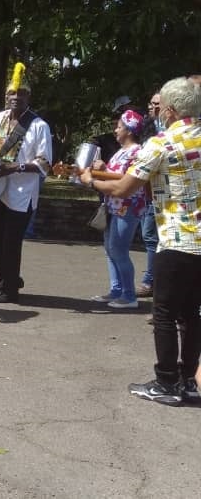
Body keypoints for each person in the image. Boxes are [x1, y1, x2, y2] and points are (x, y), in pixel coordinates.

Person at [78, 77, 201, 406]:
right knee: (192, 314)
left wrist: (90, 181)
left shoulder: (161, 143)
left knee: (165, 314)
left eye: (160, 109)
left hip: (176, 241)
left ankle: (166, 382)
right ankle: (188, 381)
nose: (156, 114)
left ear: (170, 110)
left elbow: (123, 188)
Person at [0, 63, 52, 304]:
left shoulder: (39, 126)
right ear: (6, 97)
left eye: (21, 93)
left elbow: (44, 164)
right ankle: (8, 278)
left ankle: (10, 289)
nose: (16, 97)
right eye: (12, 93)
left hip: (21, 193)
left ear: (28, 97)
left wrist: (14, 167)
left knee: (11, 242)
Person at [87, 110, 148, 309]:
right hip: (113, 205)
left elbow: (128, 179)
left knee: (119, 250)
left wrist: (104, 171)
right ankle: (116, 290)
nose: (115, 130)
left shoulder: (137, 152)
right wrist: (101, 171)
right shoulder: (121, 151)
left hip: (128, 207)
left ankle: (129, 296)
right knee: (110, 249)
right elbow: (114, 175)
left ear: (129, 130)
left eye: (119, 127)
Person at [136, 90, 164, 299]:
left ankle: (151, 281)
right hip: (147, 191)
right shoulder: (149, 127)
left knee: (152, 237)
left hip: (161, 193)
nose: (152, 107)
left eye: (157, 104)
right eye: (151, 103)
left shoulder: (169, 132)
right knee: (149, 236)